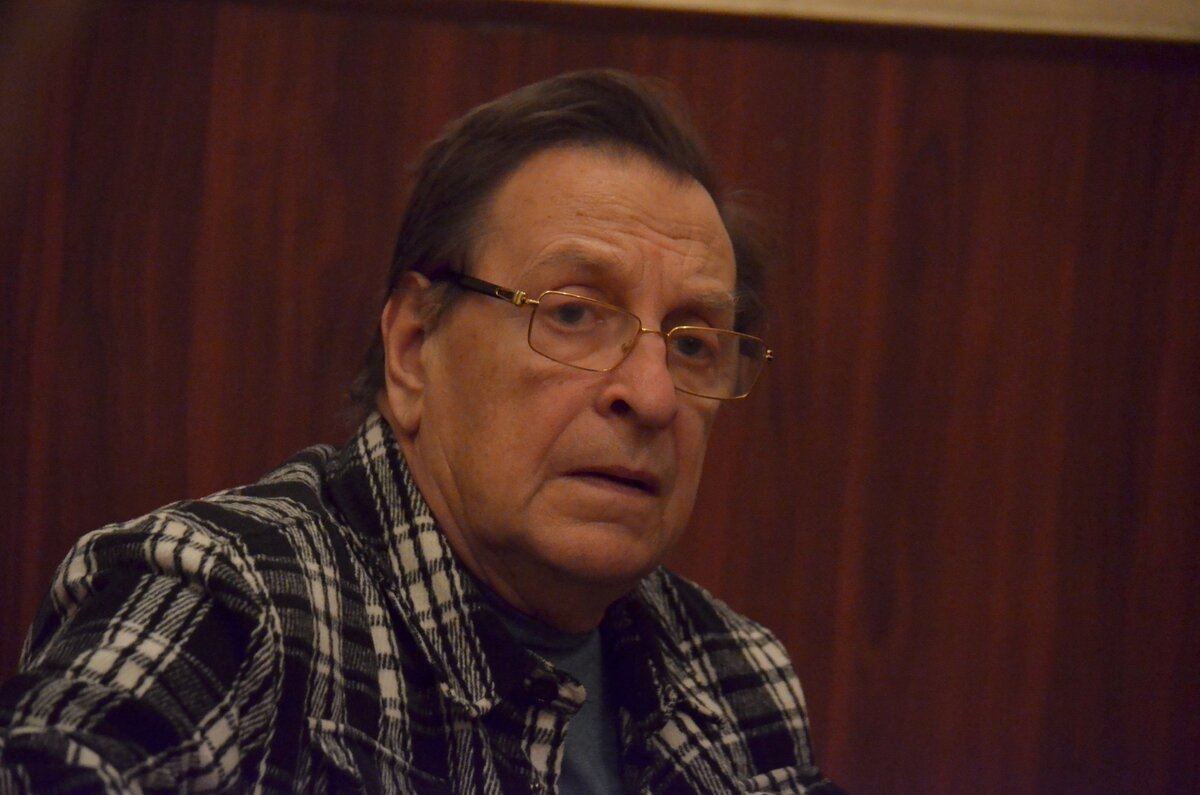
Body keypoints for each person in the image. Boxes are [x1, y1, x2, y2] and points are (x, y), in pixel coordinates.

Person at [0, 69, 839, 793]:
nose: (651, 395)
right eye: (574, 313)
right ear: (412, 348)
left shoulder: (738, 676)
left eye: (692, 343)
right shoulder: (225, 602)